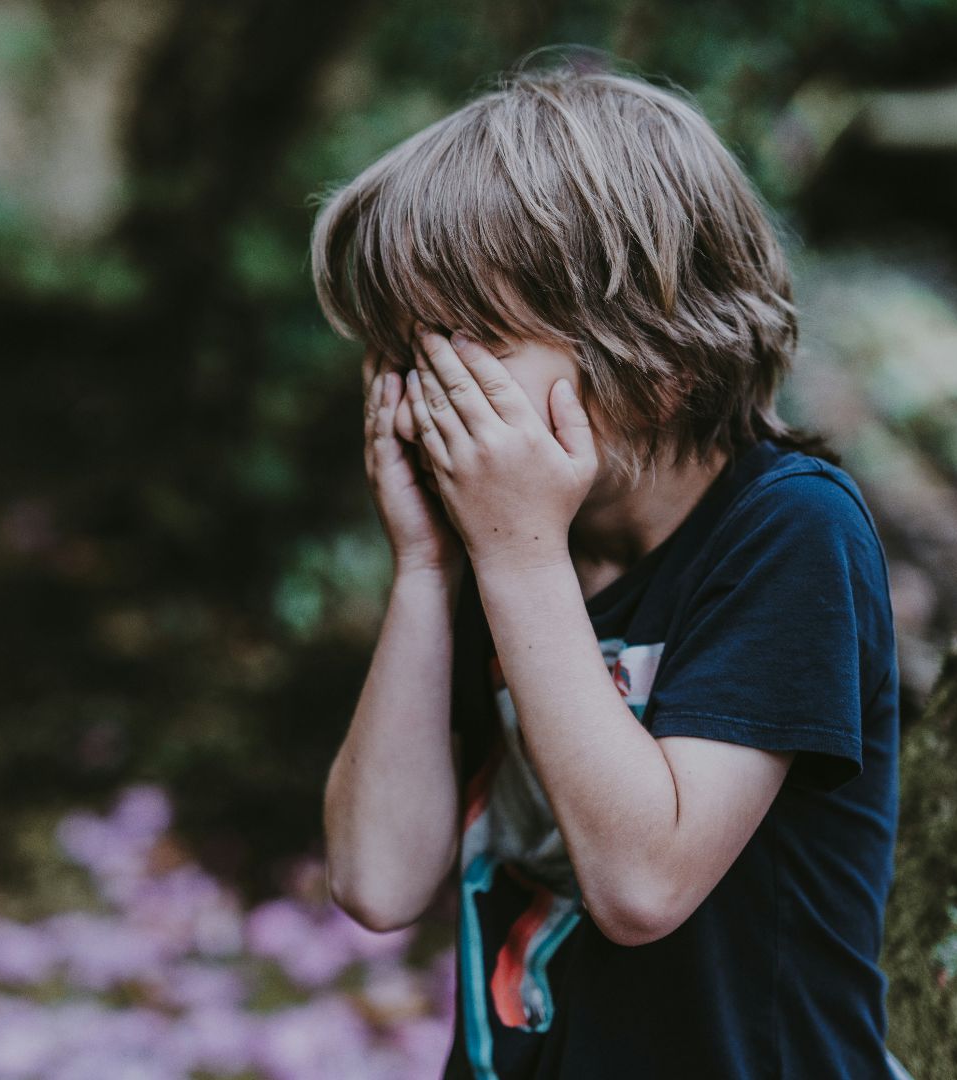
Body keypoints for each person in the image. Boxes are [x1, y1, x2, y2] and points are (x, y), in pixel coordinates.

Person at [310, 49, 914, 1080]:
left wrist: (515, 555)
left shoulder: (790, 531)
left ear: (658, 358)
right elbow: (376, 879)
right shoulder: (501, 542)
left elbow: (643, 886)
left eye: (472, 346)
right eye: (408, 354)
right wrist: (423, 568)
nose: (432, 393)